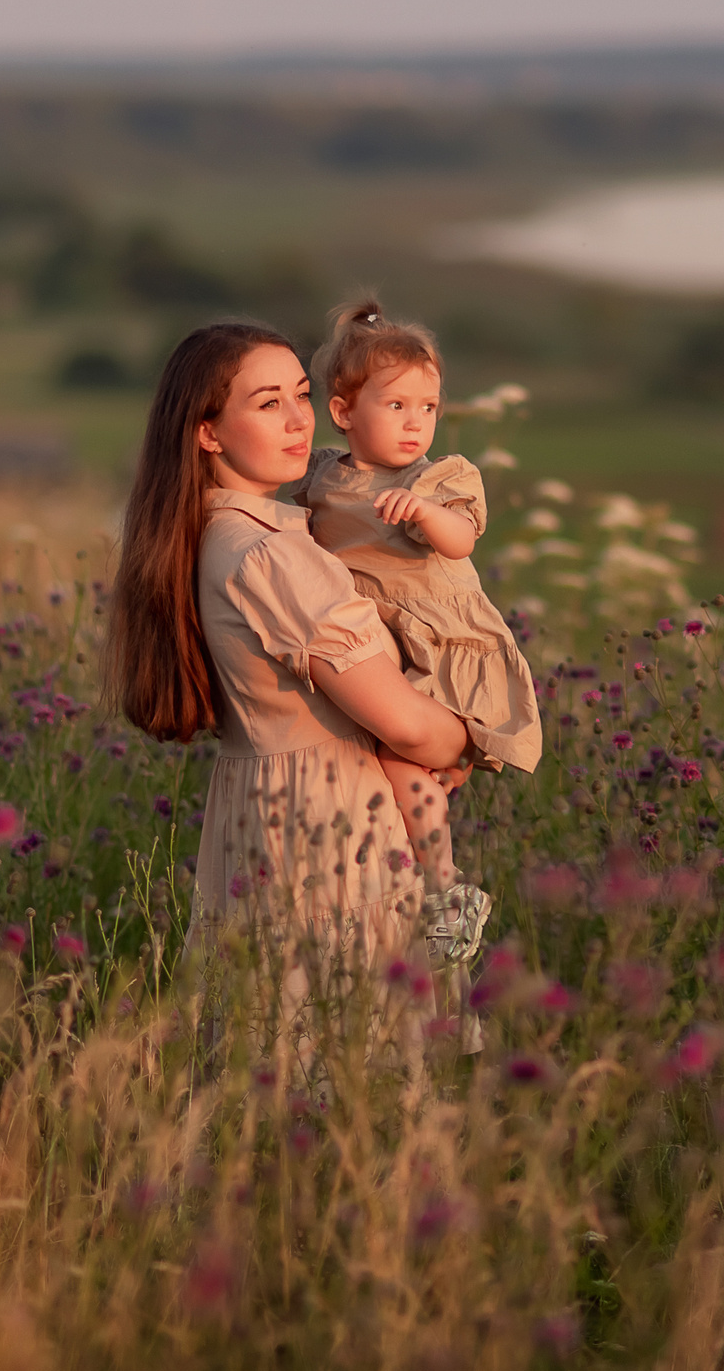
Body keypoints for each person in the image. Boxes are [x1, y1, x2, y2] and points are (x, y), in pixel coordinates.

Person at [106, 320, 471, 1051]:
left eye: (303, 395)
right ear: (208, 432)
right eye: (268, 403)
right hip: (329, 821)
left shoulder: (215, 535)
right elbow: (402, 724)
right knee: (346, 1067)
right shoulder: (270, 556)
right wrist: (468, 732)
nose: (300, 419)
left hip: (261, 807)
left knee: (273, 1056)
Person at [292, 300, 542, 894]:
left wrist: (429, 514)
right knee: (389, 763)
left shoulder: (435, 480)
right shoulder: (323, 476)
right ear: (343, 412)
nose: (415, 423)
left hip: (438, 641)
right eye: (396, 405)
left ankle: (444, 884)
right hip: (376, 640)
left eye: (428, 408)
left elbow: (460, 543)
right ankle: (399, 877)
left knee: (404, 761)